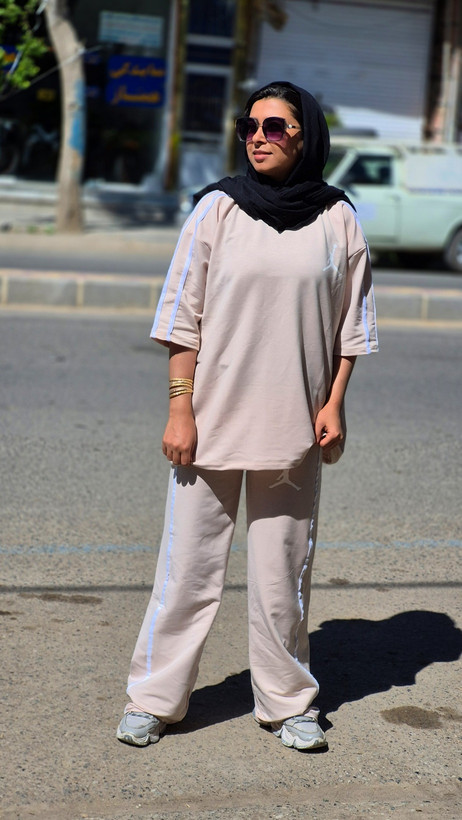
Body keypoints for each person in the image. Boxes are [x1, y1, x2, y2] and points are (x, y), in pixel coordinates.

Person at [117, 81, 378, 751]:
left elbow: (350, 327)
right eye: (250, 126)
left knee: (283, 577)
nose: (259, 137)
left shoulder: (338, 219)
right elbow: (182, 317)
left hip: (294, 430)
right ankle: (155, 698)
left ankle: (288, 702)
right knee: (187, 571)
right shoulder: (217, 209)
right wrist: (179, 410)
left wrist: (335, 403)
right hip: (208, 424)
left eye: (276, 126)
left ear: (305, 136)